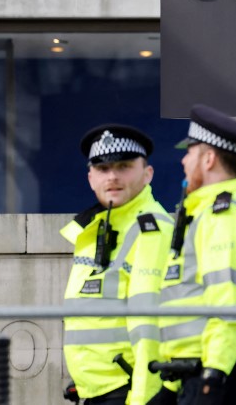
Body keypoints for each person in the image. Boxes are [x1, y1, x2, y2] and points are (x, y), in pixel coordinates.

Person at [148, 104, 236, 405]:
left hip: (223, 375)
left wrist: (213, 378)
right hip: (199, 373)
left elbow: (229, 306)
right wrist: (171, 390)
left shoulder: (226, 216)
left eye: (190, 153)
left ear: (208, 159)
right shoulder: (210, 213)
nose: (183, 161)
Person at [62, 124, 174, 405]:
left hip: (128, 392)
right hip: (95, 392)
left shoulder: (151, 229)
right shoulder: (98, 227)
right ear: (90, 178)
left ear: (147, 174)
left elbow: (151, 325)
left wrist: (143, 398)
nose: (112, 176)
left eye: (124, 166)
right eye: (102, 168)